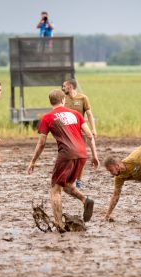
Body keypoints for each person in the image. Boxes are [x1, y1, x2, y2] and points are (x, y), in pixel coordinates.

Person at [27, 89, 99, 233]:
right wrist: (95, 155)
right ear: (63, 100)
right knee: (66, 185)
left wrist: (33, 161)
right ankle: (85, 200)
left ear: (50, 102)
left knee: (55, 190)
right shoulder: (76, 114)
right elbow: (90, 135)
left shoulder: (48, 117)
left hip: (66, 154)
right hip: (82, 154)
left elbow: (41, 143)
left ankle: (59, 225)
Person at [62, 79, 97, 189]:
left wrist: (93, 129)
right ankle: (68, 178)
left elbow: (89, 114)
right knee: (69, 156)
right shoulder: (62, 98)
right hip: (67, 133)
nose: (62, 88)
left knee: (80, 157)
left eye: (64, 86)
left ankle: (79, 180)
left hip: (80, 131)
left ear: (70, 86)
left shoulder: (83, 98)